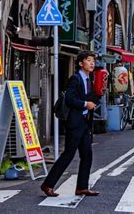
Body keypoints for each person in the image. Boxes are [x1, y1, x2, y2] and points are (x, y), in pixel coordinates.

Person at [41, 51, 100, 197]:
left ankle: (82, 187)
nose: (92, 63)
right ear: (81, 63)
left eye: (93, 61)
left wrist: (93, 102)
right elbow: (69, 99)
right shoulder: (75, 79)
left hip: (85, 123)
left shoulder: (88, 79)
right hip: (75, 123)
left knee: (87, 154)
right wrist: (86, 104)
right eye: (88, 60)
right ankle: (48, 185)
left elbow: (86, 98)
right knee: (68, 154)